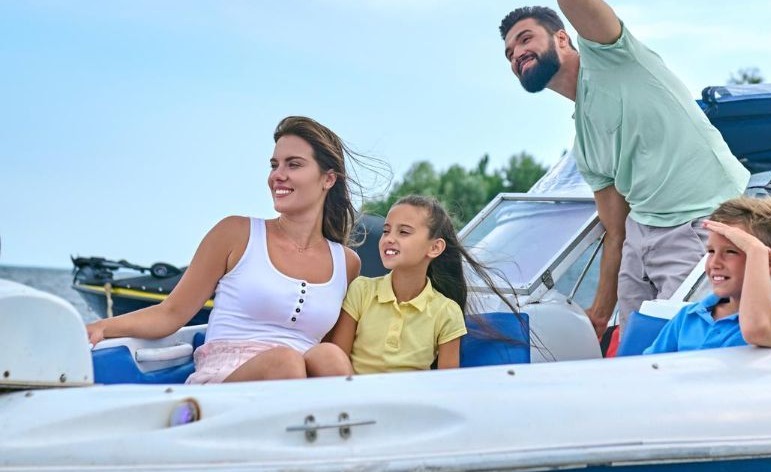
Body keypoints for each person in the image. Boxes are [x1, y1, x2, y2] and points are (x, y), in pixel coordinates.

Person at [463, 0, 749, 335]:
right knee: (633, 355)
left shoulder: (614, 56)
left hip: (703, 223)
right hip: (642, 239)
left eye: (524, 39)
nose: (516, 54)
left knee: (688, 350)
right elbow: (615, 232)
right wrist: (598, 314)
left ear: (563, 38)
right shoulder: (585, 144)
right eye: (509, 54)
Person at [85, 116, 362, 383]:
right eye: (274, 165)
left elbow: (334, 350)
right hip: (226, 382)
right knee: (284, 362)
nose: (278, 175)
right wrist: (102, 327)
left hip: (299, 391)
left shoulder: (346, 263)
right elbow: (170, 313)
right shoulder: (235, 234)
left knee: (330, 357)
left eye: (293, 165)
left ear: (328, 179)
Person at [330, 194, 511, 373]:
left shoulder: (447, 312)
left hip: (413, 401)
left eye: (404, 232)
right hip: (357, 397)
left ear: (435, 248)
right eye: (386, 231)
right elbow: (337, 361)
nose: (389, 238)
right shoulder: (360, 290)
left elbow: (447, 383)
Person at [643, 196, 771, 353]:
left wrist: (756, 251)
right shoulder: (688, 317)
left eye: (730, 251)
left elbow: (758, 331)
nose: (715, 262)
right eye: (711, 251)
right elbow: (649, 370)